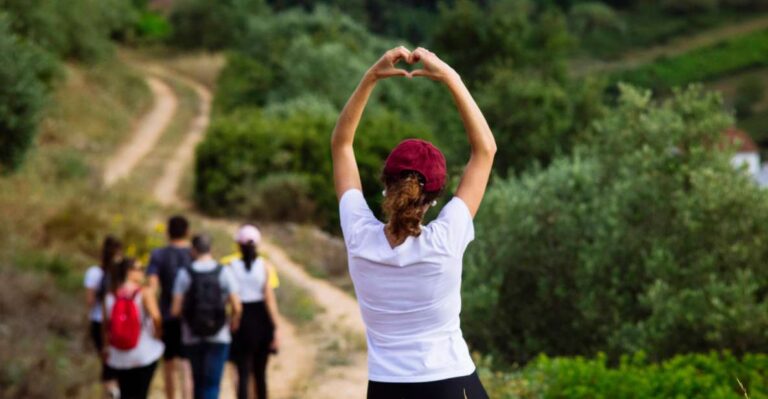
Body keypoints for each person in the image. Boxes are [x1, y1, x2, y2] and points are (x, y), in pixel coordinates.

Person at [331, 46, 496, 399]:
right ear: (434, 198)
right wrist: (451, 77)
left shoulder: (360, 237)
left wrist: (369, 78)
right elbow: (485, 151)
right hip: (453, 384)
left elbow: (342, 145)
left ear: (385, 184)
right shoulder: (445, 239)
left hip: (387, 389)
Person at [172, 234, 242, 399]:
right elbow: (237, 306)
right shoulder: (223, 271)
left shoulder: (185, 273)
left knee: (197, 382)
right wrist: (233, 322)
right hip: (219, 335)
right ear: (211, 249)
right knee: (212, 384)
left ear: (193, 250)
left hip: (192, 335)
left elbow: (174, 310)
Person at [228, 225, 281, 399]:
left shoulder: (231, 267)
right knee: (260, 373)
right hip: (261, 319)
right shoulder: (264, 266)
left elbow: (232, 300)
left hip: (241, 320)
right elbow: (270, 300)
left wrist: (234, 320)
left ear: (238, 245)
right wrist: (276, 328)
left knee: (242, 373)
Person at [103, 257, 165, 399]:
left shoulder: (110, 295)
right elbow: (156, 317)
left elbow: (106, 327)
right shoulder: (144, 293)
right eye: (140, 269)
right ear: (129, 272)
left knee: (125, 392)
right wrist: (158, 334)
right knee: (140, 393)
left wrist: (106, 348)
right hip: (144, 353)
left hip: (119, 356)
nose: (143, 272)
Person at [147, 215, 194, 399]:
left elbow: (152, 287)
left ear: (167, 232)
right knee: (187, 366)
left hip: (166, 314)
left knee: (168, 364)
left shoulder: (158, 255)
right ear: (187, 232)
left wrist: (154, 317)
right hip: (189, 317)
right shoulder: (193, 253)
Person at [84, 235, 122, 399]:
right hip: (118, 323)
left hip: (98, 321)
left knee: (106, 362)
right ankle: (116, 390)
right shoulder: (121, 273)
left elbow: (90, 301)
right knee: (116, 361)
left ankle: (111, 392)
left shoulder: (94, 272)